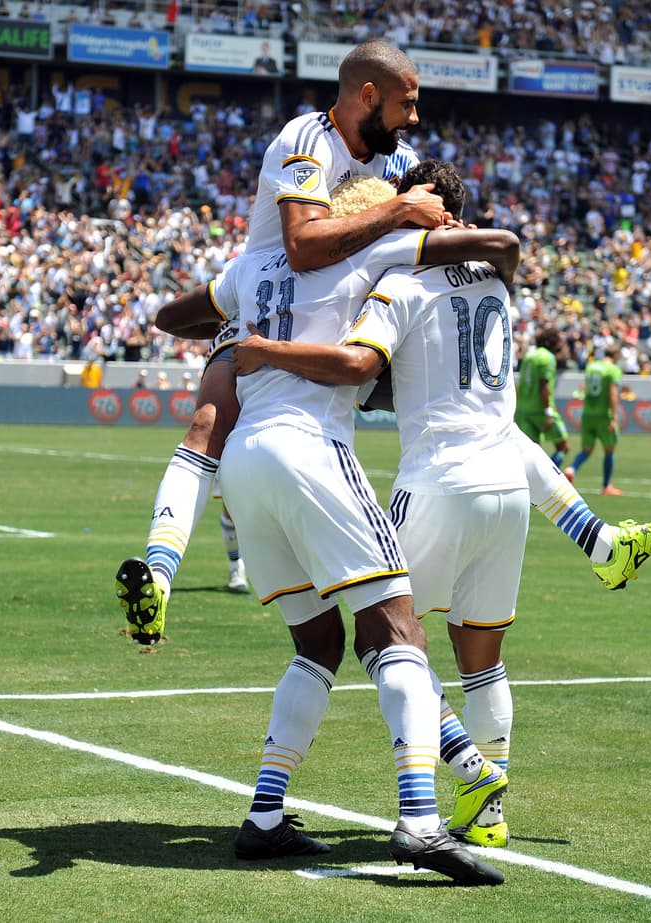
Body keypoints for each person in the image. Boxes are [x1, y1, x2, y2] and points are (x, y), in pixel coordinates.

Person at [233, 161, 535, 849]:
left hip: (438, 481)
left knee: (384, 636)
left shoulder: (399, 281)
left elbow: (360, 365)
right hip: (508, 487)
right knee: (483, 658)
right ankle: (488, 812)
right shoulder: (496, 277)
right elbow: (503, 249)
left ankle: (449, 787)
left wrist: (265, 349)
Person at [114, 40, 449, 644]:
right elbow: (302, 246)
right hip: (266, 308)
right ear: (367, 95)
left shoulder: (401, 161)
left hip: (340, 318)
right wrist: (398, 211)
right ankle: (159, 576)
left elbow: (432, 221)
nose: (415, 117)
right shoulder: (306, 138)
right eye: (406, 103)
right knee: (208, 425)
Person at [565, 342, 624, 494]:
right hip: (603, 415)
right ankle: (606, 486)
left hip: (587, 414)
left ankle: (572, 469)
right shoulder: (613, 369)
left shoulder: (591, 367)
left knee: (587, 449)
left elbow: (584, 388)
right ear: (616, 355)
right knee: (609, 450)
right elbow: (613, 394)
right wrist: (614, 417)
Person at [514, 327, 570, 467]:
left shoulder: (529, 356)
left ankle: (534, 478)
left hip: (523, 410)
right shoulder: (547, 357)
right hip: (540, 410)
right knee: (563, 447)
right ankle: (550, 475)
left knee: (532, 453)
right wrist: (548, 411)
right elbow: (544, 386)